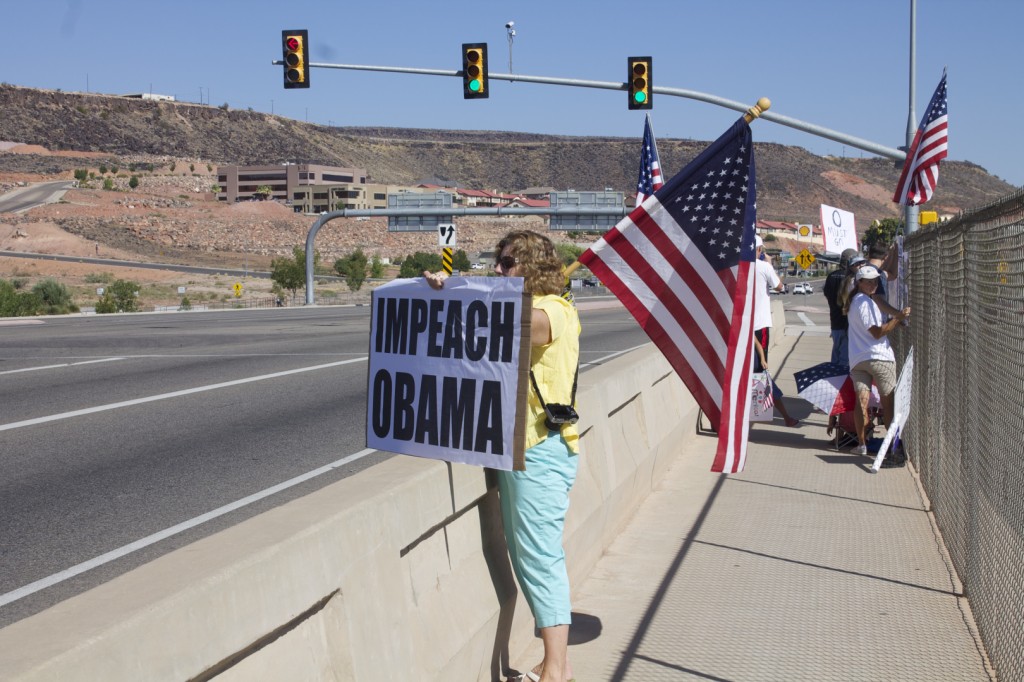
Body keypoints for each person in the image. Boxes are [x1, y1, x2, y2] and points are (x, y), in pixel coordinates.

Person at [424, 230, 580, 682]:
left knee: (539, 557)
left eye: (507, 263)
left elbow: (513, 325)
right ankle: (557, 664)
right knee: (530, 554)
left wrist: (454, 292)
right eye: (497, 262)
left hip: (541, 452)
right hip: (521, 450)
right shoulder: (536, 306)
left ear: (529, 266)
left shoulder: (553, 312)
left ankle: (556, 672)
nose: (498, 270)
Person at [845, 265, 911, 458]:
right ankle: (892, 447)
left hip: (858, 359)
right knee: (888, 403)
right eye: (869, 281)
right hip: (879, 357)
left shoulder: (859, 300)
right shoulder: (864, 303)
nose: (873, 284)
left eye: (875, 281)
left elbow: (879, 306)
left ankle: (862, 444)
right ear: (859, 282)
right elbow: (877, 333)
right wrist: (897, 319)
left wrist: (895, 315)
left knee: (862, 402)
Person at [823, 248, 861, 366]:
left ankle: (833, 379)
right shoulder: (852, 278)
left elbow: (827, 294)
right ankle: (841, 383)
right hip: (847, 324)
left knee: (835, 355)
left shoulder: (831, 276)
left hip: (834, 322)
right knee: (845, 361)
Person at [753, 336, 799, 427]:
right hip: (743, 373)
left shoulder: (747, 330)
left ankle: (787, 419)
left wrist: (762, 359)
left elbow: (757, 344)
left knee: (774, 393)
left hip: (757, 370)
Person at [753, 236, 784, 367]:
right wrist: (770, 264)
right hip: (760, 322)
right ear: (759, 249)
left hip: (743, 323)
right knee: (761, 361)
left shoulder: (738, 265)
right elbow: (779, 286)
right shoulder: (764, 267)